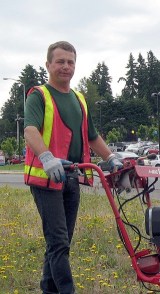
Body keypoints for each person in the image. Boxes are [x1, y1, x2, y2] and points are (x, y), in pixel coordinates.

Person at [24, 41, 123, 294]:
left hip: (71, 178)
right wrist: (46, 157)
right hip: (46, 180)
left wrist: (111, 157)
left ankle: (49, 290)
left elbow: (91, 135)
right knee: (58, 243)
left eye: (70, 62)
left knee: (60, 243)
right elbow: (30, 130)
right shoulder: (39, 95)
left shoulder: (79, 99)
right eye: (60, 61)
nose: (66, 67)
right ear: (48, 65)